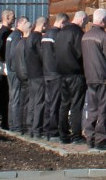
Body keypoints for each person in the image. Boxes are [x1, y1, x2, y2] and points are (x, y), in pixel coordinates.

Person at [81, 8, 106, 150]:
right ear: (102, 21)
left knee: (92, 108)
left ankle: (90, 137)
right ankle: (101, 139)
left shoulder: (85, 36)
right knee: (103, 108)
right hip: (103, 76)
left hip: (90, 76)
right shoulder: (104, 36)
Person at [56, 10, 87, 144]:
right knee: (76, 105)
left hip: (62, 74)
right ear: (81, 20)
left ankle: (63, 134)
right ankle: (76, 135)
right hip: (75, 73)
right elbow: (81, 54)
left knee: (64, 104)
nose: (85, 24)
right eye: (85, 22)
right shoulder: (78, 33)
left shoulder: (60, 33)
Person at [41, 13, 66, 141]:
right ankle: (54, 130)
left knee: (48, 102)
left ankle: (46, 130)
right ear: (62, 22)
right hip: (56, 73)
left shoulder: (46, 35)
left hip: (46, 72)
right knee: (56, 103)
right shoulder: (57, 35)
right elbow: (61, 54)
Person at [0, 9, 15, 128]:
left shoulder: (2, 32)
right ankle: (6, 122)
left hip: (2, 68)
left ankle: (5, 121)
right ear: (7, 17)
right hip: (5, 68)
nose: (14, 19)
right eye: (13, 17)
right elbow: (2, 49)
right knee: (5, 96)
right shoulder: (6, 33)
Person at [25, 16, 47, 138]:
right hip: (38, 74)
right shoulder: (38, 38)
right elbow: (42, 55)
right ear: (43, 24)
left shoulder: (29, 37)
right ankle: (37, 129)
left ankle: (31, 126)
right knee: (39, 102)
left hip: (31, 73)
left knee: (32, 101)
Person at [5, 16, 24, 133]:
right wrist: (18, 69)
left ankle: (11, 123)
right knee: (16, 98)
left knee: (12, 98)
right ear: (20, 24)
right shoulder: (17, 36)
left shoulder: (11, 36)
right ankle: (16, 126)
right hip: (14, 71)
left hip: (10, 70)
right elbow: (14, 54)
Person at [13, 17, 31, 135]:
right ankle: (26, 126)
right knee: (27, 101)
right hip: (26, 75)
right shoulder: (26, 44)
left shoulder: (19, 43)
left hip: (20, 73)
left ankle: (22, 125)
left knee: (23, 101)